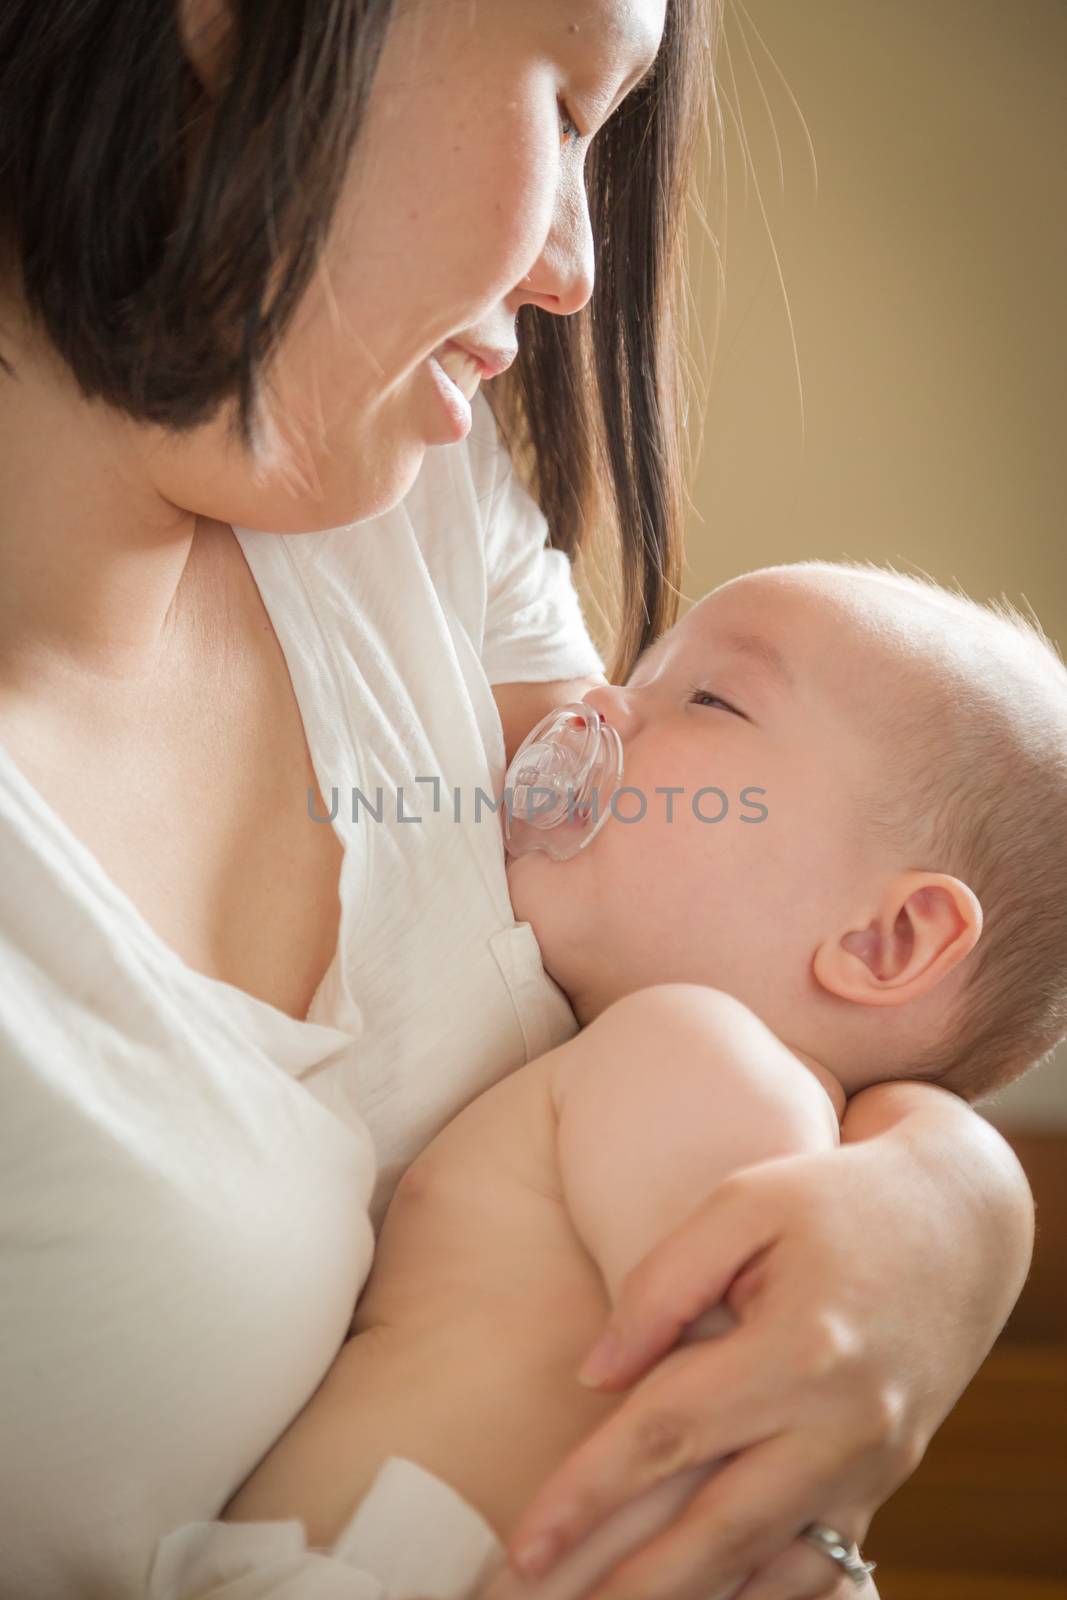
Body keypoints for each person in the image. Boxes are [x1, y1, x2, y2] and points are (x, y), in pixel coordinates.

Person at [0, 0, 1037, 1596]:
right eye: (565, 110)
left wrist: (955, 1202)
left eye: (697, 693)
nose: (575, 271)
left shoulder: (408, 487)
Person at [149, 561, 1067, 1600]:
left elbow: (728, 1409)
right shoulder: (680, 1077)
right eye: (641, 671)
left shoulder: (699, 1053)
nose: (593, 702)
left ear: (884, 937)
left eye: (709, 698)